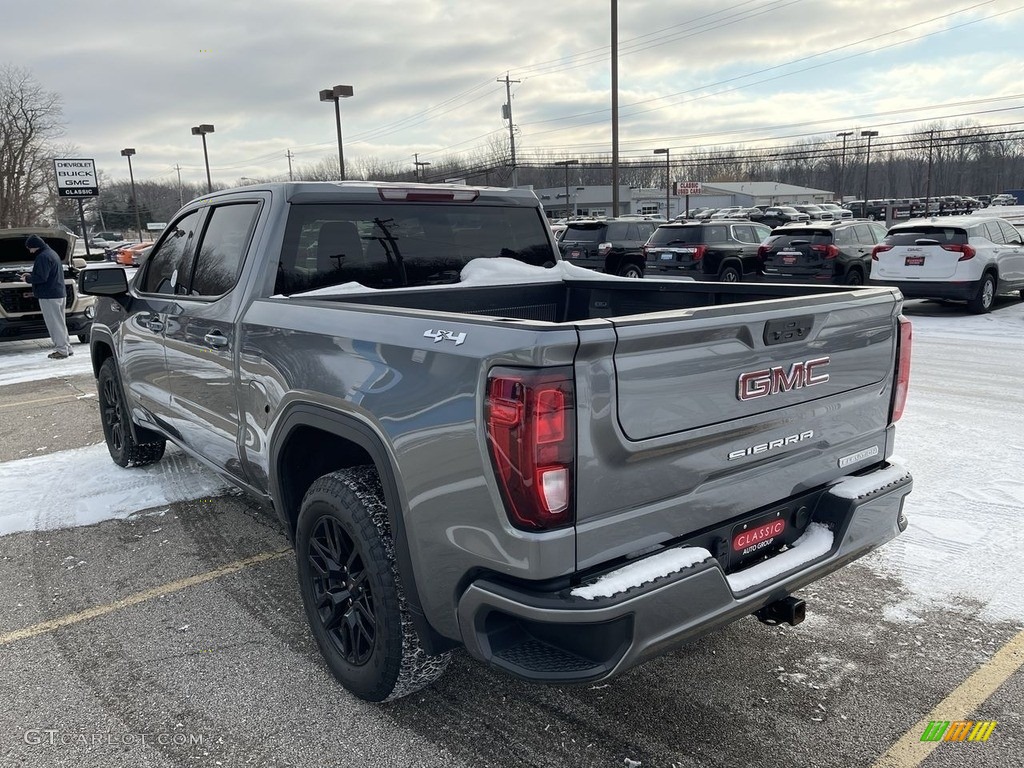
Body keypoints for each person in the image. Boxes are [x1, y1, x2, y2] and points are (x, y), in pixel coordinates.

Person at [21, 234, 73, 359]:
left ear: (35, 246)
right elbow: (47, 274)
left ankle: (61, 350)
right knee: (60, 322)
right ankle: (67, 347)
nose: (29, 250)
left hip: (49, 295)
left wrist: (27, 278)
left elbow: (41, 278)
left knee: (54, 324)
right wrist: (32, 274)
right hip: (59, 293)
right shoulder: (52, 253)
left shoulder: (42, 257)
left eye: (29, 248)